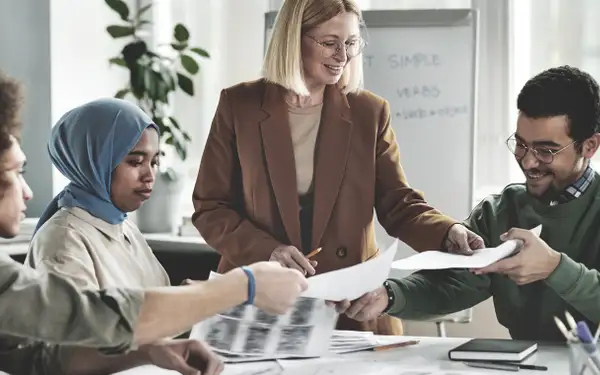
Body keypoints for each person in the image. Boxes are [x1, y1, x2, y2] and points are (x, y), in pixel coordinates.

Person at [191, 0, 484, 336]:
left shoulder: (369, 112)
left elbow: (398, 204)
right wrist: (267, 251)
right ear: (293, 39)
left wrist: (447, 233)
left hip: (350, 304)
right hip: (260, 303)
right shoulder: (239, 105)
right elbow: (210, 207)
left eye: (351, 43)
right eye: (330, 43)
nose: (342, 56)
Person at [0, 71, 308, 373]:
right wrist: (240, 286)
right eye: (134, 161)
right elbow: (85, 328)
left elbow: (37, 358)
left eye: (155, 161)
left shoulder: (121, 224)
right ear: (94, 161)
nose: (150, 175)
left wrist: (159, 340)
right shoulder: (64, 239)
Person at [340, 65, 600, 342]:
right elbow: (454, 283)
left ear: (589, 147)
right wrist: (389, 295)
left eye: (546, 151)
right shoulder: (499, 211)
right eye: (521, 144)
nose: (528, 161)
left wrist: (554, 267)